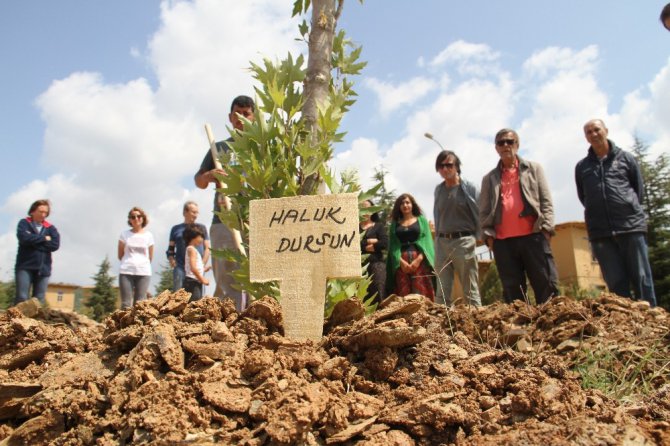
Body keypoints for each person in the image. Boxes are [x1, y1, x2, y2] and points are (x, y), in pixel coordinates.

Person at [575, 119, 656, 307]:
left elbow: (638, 191)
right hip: (601, 232)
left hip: (630, 227)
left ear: (606, 131)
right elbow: (584, 197)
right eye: (588, 132)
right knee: (616, 283)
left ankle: (652, 323)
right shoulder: (582, 167)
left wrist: (626, 208)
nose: (593, 134)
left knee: (642, 279)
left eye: (597, 129)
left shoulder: (626, 158)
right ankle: (627, 328)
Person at [479, 128, 559, 304]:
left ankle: (551, 327)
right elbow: (483, 211)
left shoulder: (534, 169)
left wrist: (546, 229)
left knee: (546, 285)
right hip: (503, 243)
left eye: (510, 141)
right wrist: (488, 237)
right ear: (496, 148)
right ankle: (521, 328)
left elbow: (546, 202)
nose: (506, 145)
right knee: (513, 292)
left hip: (534, 237)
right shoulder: (489, 178)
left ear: (517, 144)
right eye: (501, 143)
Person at [194, 95, 254, 312]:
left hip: (255, 219)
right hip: (224, 219)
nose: (241, 118)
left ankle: (258, 325)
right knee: (227, 280)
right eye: (237, 114)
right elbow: (199, 181)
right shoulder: (218, 149)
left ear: (254, 117)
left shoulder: (262, 147)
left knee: (259, 278)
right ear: (230, 117)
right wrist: (209, 175)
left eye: (246, 114)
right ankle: (226, 325)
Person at [433, 150, 482, 307]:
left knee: (470, 289)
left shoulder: (469, 188)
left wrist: (480, 236)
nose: (445, 169)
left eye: (449, 165)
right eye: (441, 166)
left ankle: (477, 324)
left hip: (463, 241)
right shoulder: (438, 190)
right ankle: (441, 326)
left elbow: (481, 212)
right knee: (441, 290)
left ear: (457, 167)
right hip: (442, 243)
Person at [386, 193, 435, 300]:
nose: (405, 205)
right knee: (403, 293)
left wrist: (418, 260)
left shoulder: (421, 220)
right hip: (401, 263)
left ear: (412, 204)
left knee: (422, 293)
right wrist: (401, 262)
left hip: (420, 261)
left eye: (407, 202)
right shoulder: (395, 224)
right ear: (399, 207)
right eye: (402, 203)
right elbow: (393, 245)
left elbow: (427, 241)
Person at [14, 199, 60, 304]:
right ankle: (17, 319)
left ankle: (34, 320)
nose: (43, 215)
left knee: (39, 300)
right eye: (41, 211)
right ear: (32, 211)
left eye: (46, 212)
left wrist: (33, 241)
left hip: (43, 269)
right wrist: (44, 239)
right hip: (25, 266)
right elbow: (24, 238)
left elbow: (54, 245)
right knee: (22, 297)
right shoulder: (24, 223)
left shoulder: (51, 228)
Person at [166, 201, 210, 291]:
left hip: (197, 268)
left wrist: (202, 264)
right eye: (193, 212)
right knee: (178, 295)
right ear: (185, 212)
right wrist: (171, 258)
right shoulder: (176, 229)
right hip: (180, 267)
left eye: (197, 212)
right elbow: (171, 248)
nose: (196, 215)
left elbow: (207, 248)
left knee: (197, 296)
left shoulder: (201, 228)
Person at [118, 207, 154, 309]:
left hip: (143, 272)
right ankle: (123, 325)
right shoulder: (124, 234)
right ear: (129, 219)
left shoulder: (148, 235)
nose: (136, 218)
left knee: (140, 303)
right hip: (126, 271)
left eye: (139, 216)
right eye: (133, 217)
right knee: (126, 304)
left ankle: (137, 325)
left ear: (143, 218)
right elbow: (120, 255)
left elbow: (150, 256)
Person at [360, 199, 388, 304]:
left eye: (368, 208)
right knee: (362, 295)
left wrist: (374, 245)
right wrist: (369, 241)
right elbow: (353, 243)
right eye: (363, 207)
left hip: (376, 264)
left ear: (373, 210)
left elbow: (385, 243)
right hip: (360, 266)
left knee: (378, 291)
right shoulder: (355, 227)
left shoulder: (379, 226)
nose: (365, 210)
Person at [183, 223, 210, 302]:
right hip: (193, 282)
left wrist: (203, 269)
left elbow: (193, 267)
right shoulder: (192, 250)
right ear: (193, 236)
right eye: (200, 237)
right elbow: (193, 268)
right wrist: (202, 279)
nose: (202, 239)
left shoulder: (192, 249)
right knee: (194, 303)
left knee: (195, 301)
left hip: (194, 280)